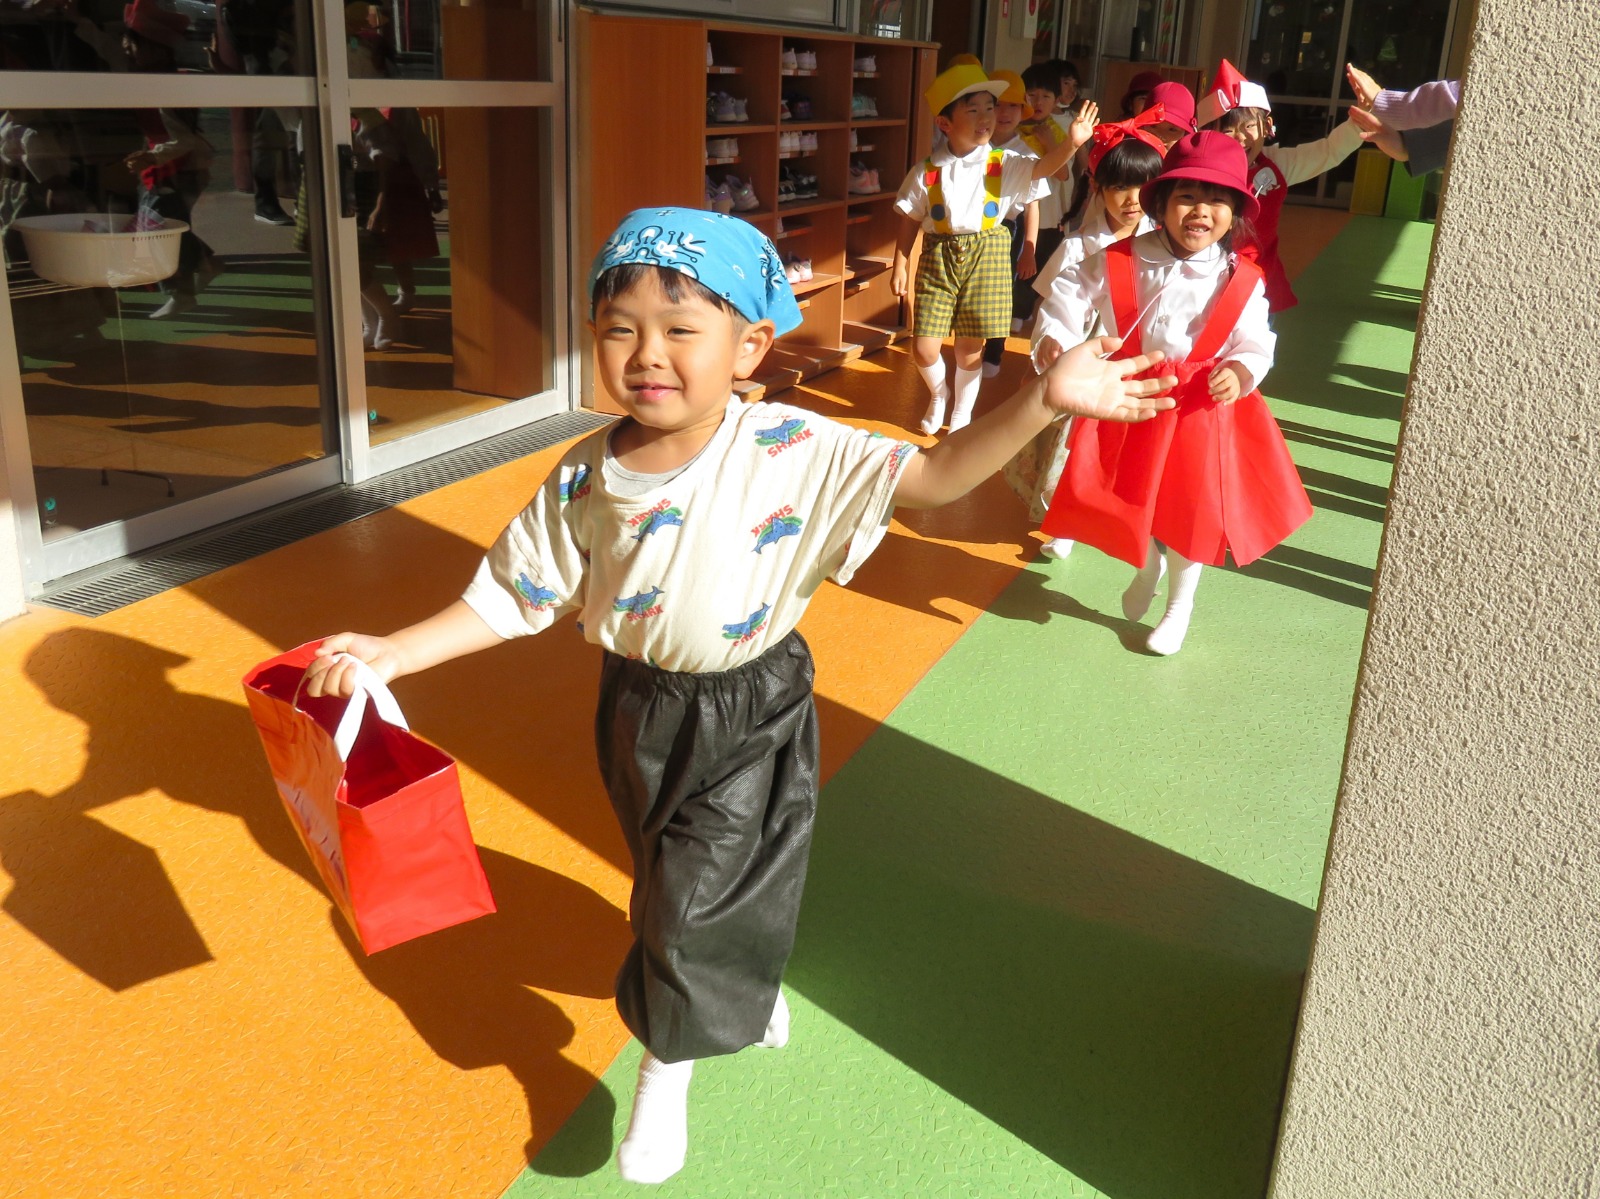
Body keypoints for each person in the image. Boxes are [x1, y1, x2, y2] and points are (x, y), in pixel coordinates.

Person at [301, 207, 1177, 1185]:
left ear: (750, 344)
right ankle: (740, 985)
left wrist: (1043, 401)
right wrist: (396, 650)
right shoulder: (587, 473)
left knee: (695, 894)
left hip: (753, 704)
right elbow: (515, 591)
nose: (647, 353)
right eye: (619, 328)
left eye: (681, 329)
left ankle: (665, 1066)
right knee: (667, 875)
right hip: (637, 707)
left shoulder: (787, 444)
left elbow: (931, 476)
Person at [1036, 133, 1312, 655]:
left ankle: (1179, 605)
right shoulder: (1121, 257)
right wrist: (1056, 337)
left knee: (1191, 509)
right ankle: (1148, 566)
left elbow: (1257, 338)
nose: (1201, 210)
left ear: (1235, 214)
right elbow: (1069, 293)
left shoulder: (1241, 278)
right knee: (1125, 495)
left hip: (1199, 408)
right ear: (1160, 204)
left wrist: (1242, 368)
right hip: (1131, 396)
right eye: (1187, 196)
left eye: (1217, 200)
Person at [892, 63, 1097, 436]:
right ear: (944, 123)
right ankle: (939, 394)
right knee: (924, 347)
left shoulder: (1004, 163)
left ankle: (962, 413)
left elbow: (1044, 168)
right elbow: (909, 218)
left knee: (970, 348)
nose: (987, 117)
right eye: (973, 110)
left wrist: (1071, 143)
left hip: (988, 255)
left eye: (990, 107)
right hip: (938, 257)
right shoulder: (926, 171)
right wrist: (900, 263)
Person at [1022, 113, 1165, 560]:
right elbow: (1056, 306)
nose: (1132, 200)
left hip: (1141, 358)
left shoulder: (1165, 246)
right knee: (1073, 444)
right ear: (1098, 188)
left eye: (1143, 187)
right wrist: (1052, 339)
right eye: (1120, 187)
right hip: (1088, 359)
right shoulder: (1077, 248)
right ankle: (1066, 521)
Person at [1198, 58, 1361, 313]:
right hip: (1202, 284)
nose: (1241, 138)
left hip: (1258, 285)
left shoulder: (1276, 164)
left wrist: (1360, 122)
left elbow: (1328, 151)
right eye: (1228, 130)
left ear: (1266, 127)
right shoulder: (1196, 169)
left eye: (1249, 126)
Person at [981, 68, 1042, 378]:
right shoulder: (973, 145)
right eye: (997, 105)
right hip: (971, 227)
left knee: (1002, 292)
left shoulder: (1027, 154)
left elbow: (1032, 206)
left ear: (1022, 111)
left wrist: (1029, 249)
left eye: (1013, 106)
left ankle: (994, 350)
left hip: (1007, 228)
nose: (1004, 113)